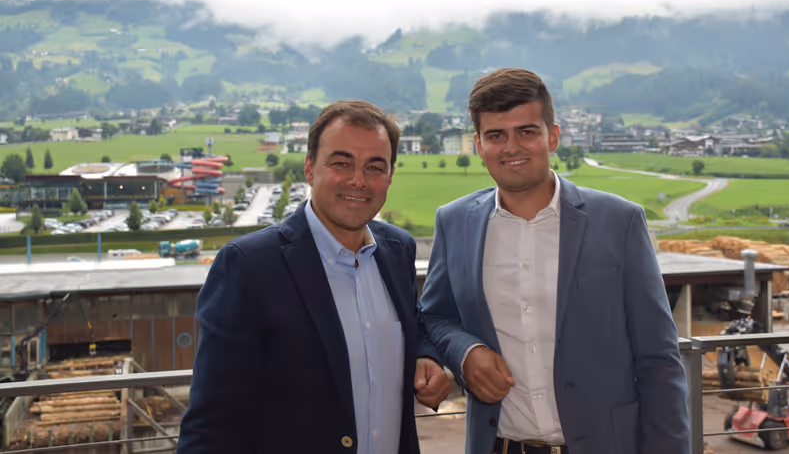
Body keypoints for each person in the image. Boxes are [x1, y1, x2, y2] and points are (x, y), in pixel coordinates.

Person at [420, 68, 690, 454]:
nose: (511, 147)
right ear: (478, 145)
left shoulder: (620, 222)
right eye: (496, 135)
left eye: (526, 131)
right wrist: (466, 352)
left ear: (553, 136)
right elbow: (435, 316)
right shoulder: (454, 222)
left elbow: (659, 360)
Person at [178, 100, 450, 454]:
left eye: (374, 166)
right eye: (341, 163)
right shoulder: (248, 266)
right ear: (309, 169)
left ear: (390, 176)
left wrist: (425, 354)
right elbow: (212, 423)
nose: (358, 180)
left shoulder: (398, 250)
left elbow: (413, 321)